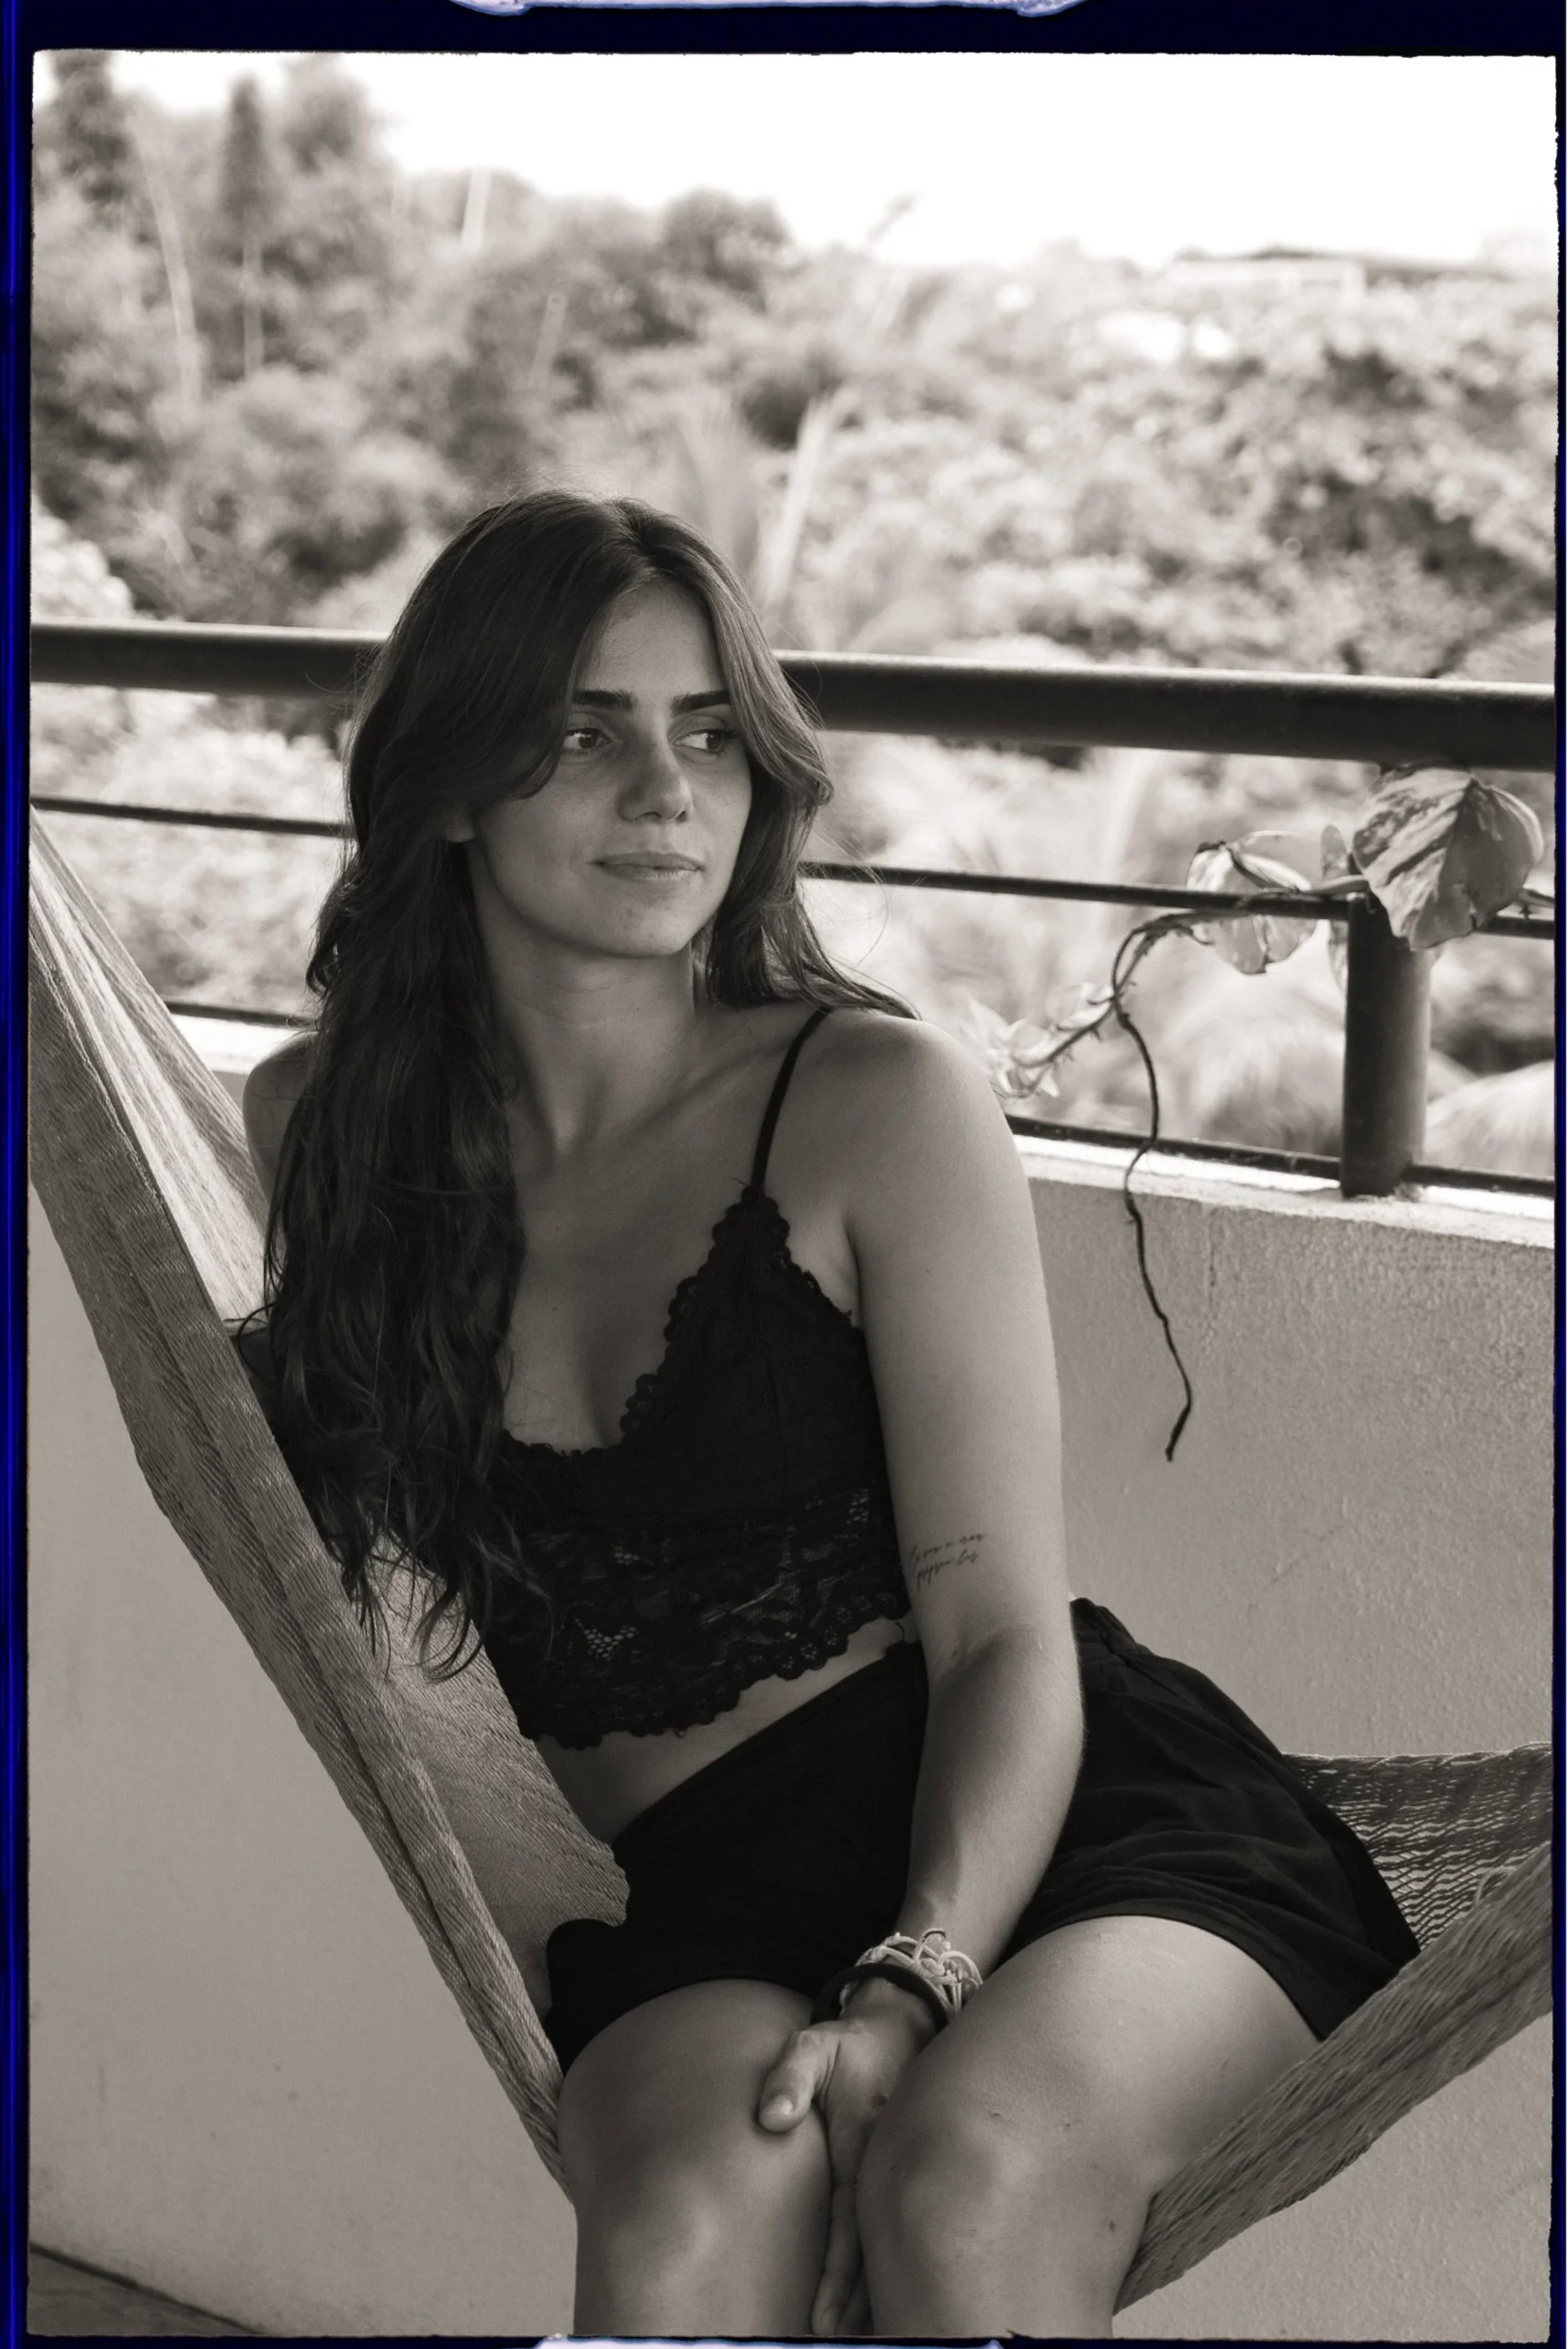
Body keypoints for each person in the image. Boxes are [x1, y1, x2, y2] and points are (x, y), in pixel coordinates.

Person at [240, 489, 1418, 2340]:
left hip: (1071, 1822)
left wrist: (915, 1978)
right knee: (684, 2245)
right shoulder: (322, 1130)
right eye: (582, 732)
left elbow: (1005, 1631)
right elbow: (295, 1482)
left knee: (967, 2177)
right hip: (712, 1878)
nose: (664, 791)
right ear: (450, 782)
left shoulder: (870, 1100)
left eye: (710, 733)